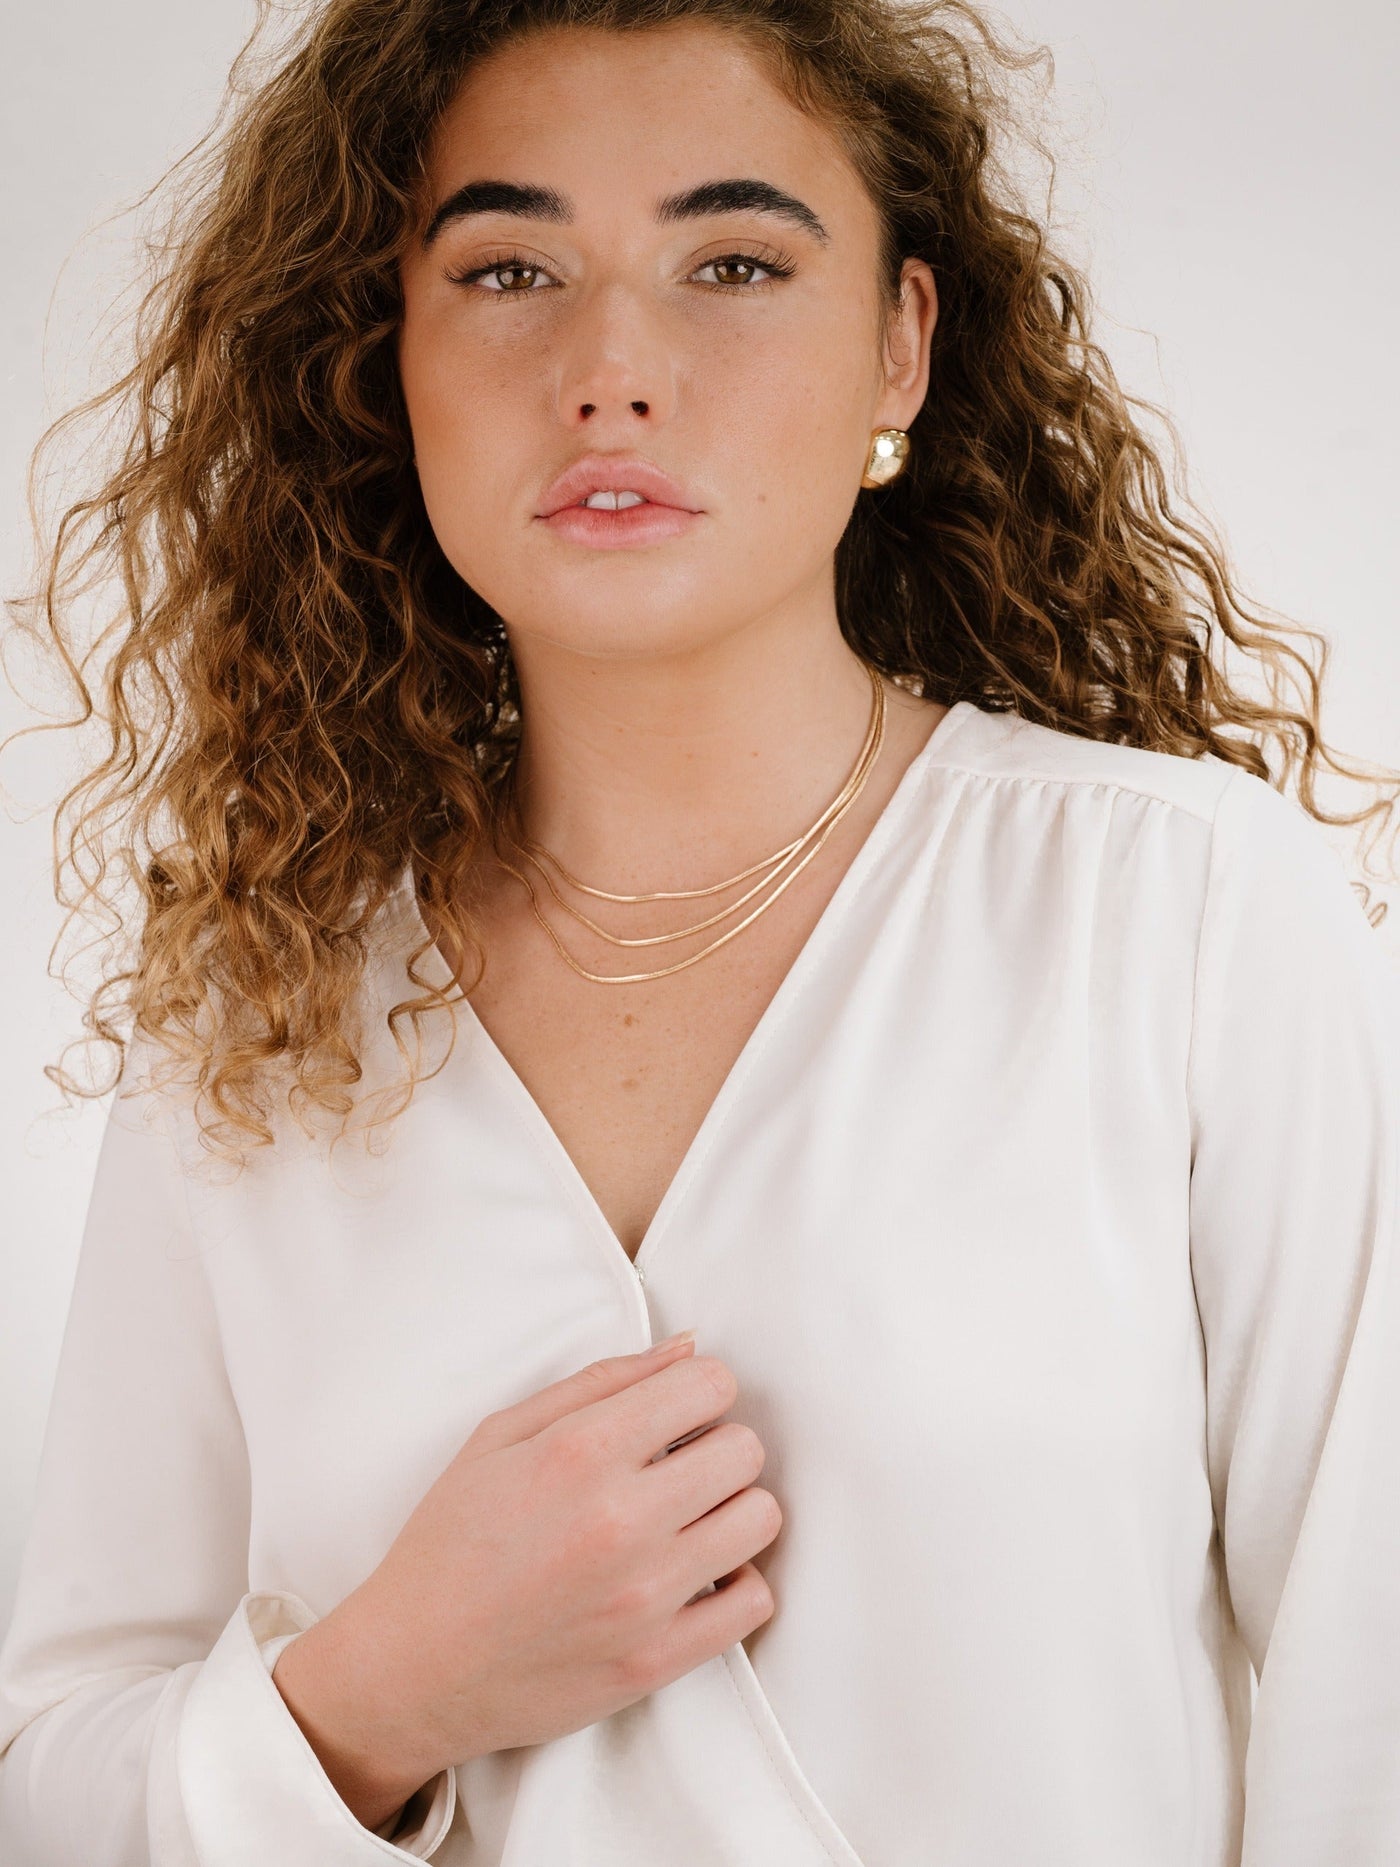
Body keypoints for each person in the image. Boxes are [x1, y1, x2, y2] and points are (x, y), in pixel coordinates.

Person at [2, 0, 1398, 1861]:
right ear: (384, 358)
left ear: (901, 346)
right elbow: (53, 1769)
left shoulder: (1187, 915)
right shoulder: (263, 1017)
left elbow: (1368, 1714)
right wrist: (382, 1696)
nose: (611, 369)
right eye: (508, 269)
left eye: (732, 261)